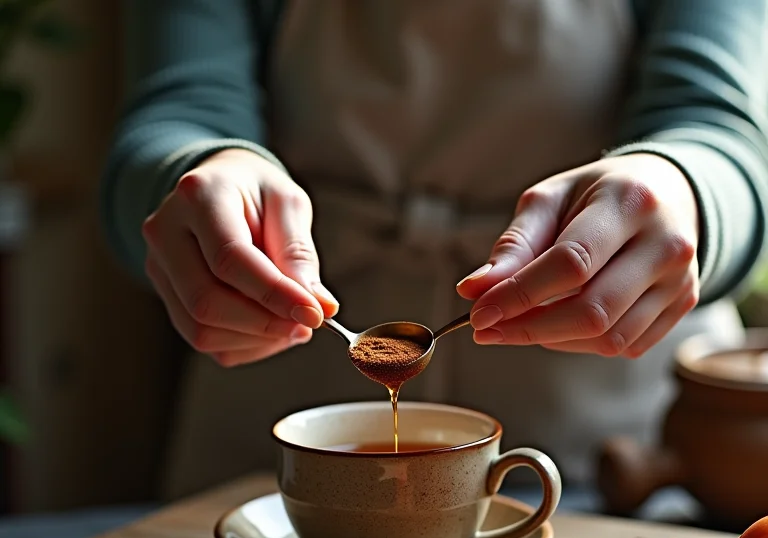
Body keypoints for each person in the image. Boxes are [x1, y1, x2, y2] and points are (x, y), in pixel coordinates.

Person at [102, 0, 768, 500]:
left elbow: (721, 128)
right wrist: (194, 173)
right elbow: (176, 106)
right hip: (271, 460)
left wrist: (684, 189)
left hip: (614, 456)